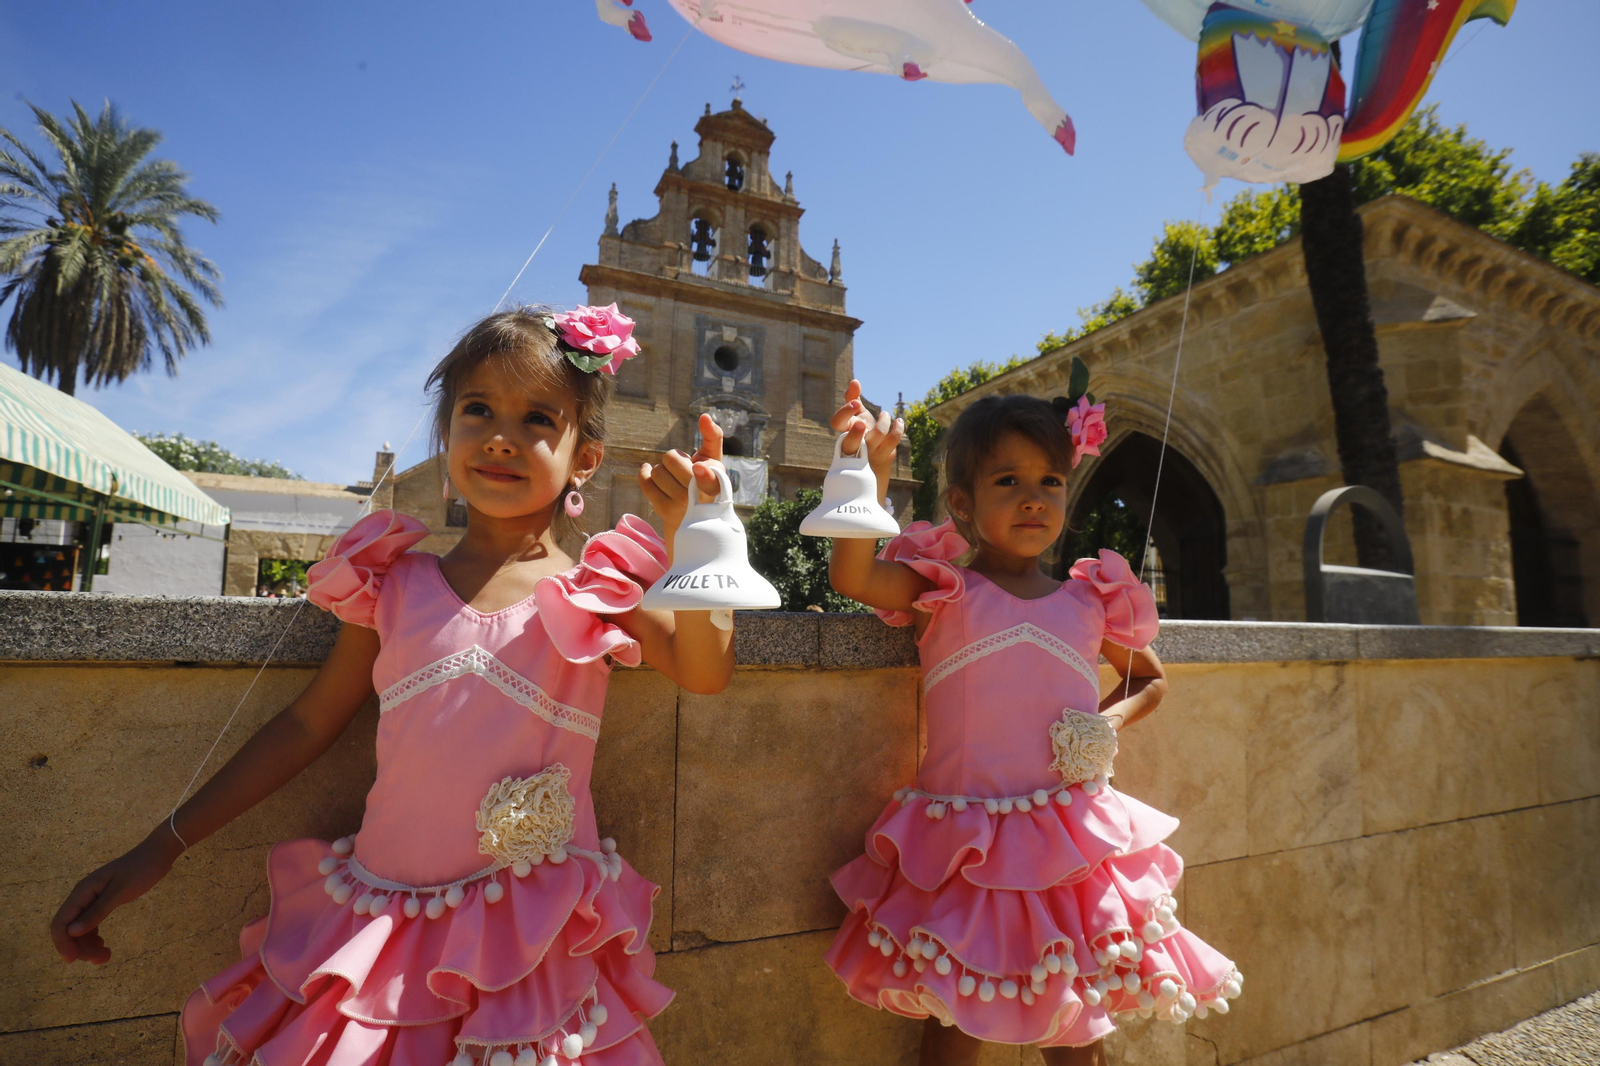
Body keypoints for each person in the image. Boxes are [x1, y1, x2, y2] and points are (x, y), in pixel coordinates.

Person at [50, 305, 736, 1066]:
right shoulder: (391, 581)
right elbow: (308, 725)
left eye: (538, 418)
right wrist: (161, 846)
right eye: (477, 410)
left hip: (532, 954)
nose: (502, 436)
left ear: (585, 459)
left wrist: (704, 534)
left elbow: (705, 673)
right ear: (446, 439)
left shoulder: (601, 587)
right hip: (376, 936)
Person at [820, 378, 1242, 1065]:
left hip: (1070, 844)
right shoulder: (945, 589)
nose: (1032, 498)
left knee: (1079, 1034)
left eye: (1049, 481)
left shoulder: (1089, 600)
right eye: (1008, 480)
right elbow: (852, 577)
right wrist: (870, 471)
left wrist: (1105, 726)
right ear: (962, 502)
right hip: (968, 849)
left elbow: (1148, 679)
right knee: (955, 1024)